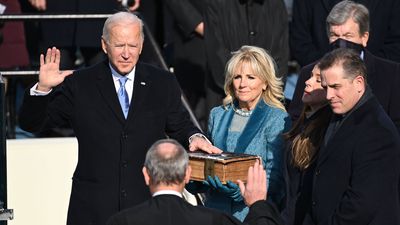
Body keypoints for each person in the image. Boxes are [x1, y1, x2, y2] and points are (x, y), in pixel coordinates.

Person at [18, 12, 221, 225]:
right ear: (104, 45)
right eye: (119, 45)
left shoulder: (162, 82)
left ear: (142, 46)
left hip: (144, 208)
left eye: (132, 46)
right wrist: (42, 88)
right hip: (93, 209)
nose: (126, 54)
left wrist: (194, 136)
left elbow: (180, 125)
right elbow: (32, 124)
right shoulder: (80, 84)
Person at [299, 48, 400, 225]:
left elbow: (362, 204)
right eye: (325, 87)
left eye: (336, 87)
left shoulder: (378, 132)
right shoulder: (336, 114)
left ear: (359, 83)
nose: (329, 96)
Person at [200, 46, 290, 221]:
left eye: (251, 77)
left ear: (265, 82)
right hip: (214, 211)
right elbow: (209, 161)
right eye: (237, 77)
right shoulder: (218, 114)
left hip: (251, 214)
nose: (242, 84)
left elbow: (276, 175)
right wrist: (197, 180)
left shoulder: (277, 118)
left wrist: (242, 192)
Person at [107, 139, 284, 225]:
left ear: (146, 175)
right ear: (187, 174)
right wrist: (258, 204)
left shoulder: (122, 221)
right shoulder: (214, 220)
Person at [288, 1, 400, 133]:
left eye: (348, 36)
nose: (342, 43)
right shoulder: (309, 73)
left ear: (364, 37)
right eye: (335, 36)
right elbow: (295, 124)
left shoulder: (391, 74)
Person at [203, 0, 289, 115]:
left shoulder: (276, 4)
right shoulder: (217, 4)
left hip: (267, 101)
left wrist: (266, 91)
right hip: (225, 97)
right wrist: (241, 88)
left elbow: (281, 55)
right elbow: (216, 53)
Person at [281, 63, 332, 225]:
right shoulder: (304, 122)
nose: (308, 82)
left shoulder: (326, 131)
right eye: (310, 76)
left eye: (318, 80)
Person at [290, 0, 400, 67]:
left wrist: (366, 70)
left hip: (377, 83)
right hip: (320, 84)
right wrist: (324, 69)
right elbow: (299, 39)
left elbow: (395, 43)